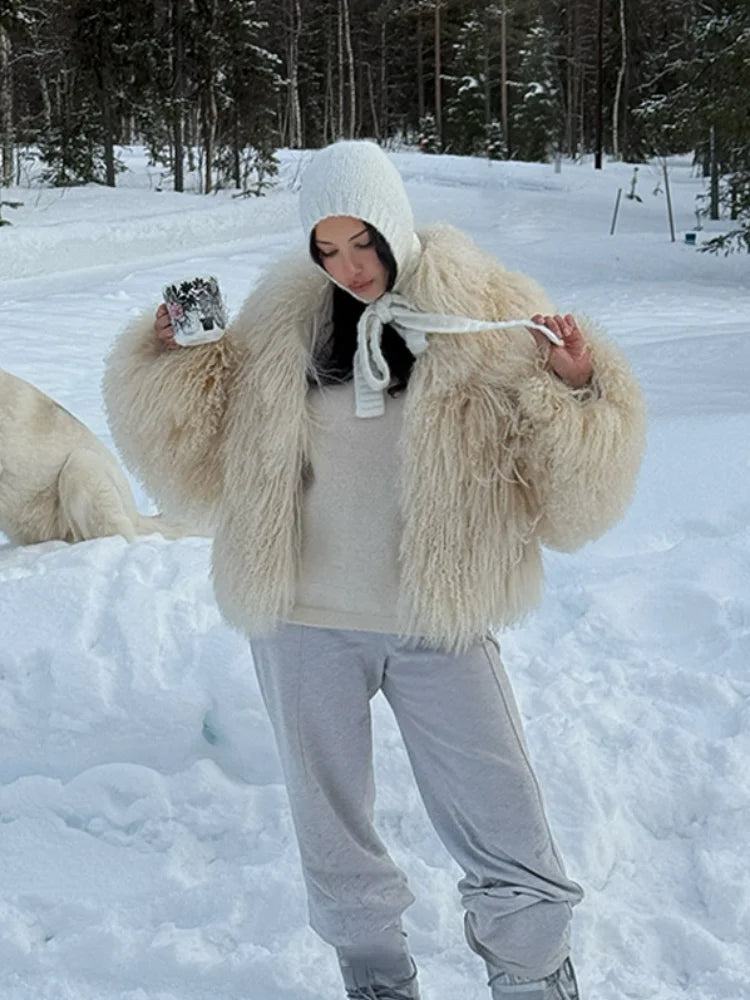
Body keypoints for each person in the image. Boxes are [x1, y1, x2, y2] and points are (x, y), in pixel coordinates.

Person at [103, 140, 646, 1000]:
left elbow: (571, 501)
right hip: (303, 617)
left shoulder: (490, 309)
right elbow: (201, 458)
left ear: (393, 224)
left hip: (441, 618)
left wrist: (575, 389)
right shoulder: (285, 319)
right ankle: (376, 980)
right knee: (332, 834)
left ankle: (534, 975)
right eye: (326, 248)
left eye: (362, 242)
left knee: (503, 817)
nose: (348, 266)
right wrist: (172, 359)